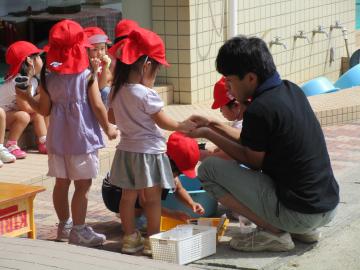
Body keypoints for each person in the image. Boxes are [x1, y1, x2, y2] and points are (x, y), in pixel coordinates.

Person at [188, 35, 339, 252]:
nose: (228, 90)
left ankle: (275, 233)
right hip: (326, 207)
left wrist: (208, 134)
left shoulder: (260, 109)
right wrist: (213, 124)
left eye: (230, 81)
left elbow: (252, 160)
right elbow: (254, 142)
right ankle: (301, 230)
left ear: (250, 78)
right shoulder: (291, 90)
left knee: (209, 170)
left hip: (301, 213)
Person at [18, 19, 118, 247]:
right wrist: (108, 128)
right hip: (81, 140)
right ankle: (79, 230)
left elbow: (43, 110)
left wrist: (25, 98)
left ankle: (64, 226)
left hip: (58, 140)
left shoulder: (48, 77)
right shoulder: (86, 76)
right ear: (78, 48)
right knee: (82, 186)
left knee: (61, 184)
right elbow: (98, 106)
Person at [108, 27, 196, 255]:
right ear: (146, 65)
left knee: (128, 197)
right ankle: (152, 240)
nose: (155, 76)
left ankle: (129, 239)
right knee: (152, 199)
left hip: (126, 151)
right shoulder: (146, 94)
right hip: (149, 153)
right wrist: (181, 125)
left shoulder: (116, 91)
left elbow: (111, 117)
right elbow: (163, 121)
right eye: (156, 70)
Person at [102, 131, 205, 228]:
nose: (178, 175)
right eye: (178, 171)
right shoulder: (149, 168)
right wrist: (172, 214)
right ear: (168, 161)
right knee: (143, 201)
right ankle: (131, 220)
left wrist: (192, 203)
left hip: (126, 188)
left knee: (155, 195)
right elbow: (145, 203)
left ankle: (135, 214)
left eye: (181, 173)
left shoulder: (167, 167)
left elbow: (178, 189)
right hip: (113, 192)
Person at [1, 41, 48, 158]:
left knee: (40, 110)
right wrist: (44, 97)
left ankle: (44, 140)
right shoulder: (18, 82)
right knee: (25, 115)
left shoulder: (33, 80)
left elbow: (34, 99)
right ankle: (11, 145)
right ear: (30, 61)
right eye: (38, 57)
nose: (41, 60)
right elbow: (25, 107)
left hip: (11, 114)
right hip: (2, 116)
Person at [200, 77, 247, 161]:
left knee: (208, 165)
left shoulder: (241, 126)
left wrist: (195, 154)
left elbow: (226, 157)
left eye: (221, 107)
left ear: (235, 105)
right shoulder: (244, 119)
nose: (221, 111)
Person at [84, 27, 112, 107]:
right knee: (106, 91)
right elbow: (100, 87)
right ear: (87, 51)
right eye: (95, 50)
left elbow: (106, 81)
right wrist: (95, 70)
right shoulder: (86, 65)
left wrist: (105, 67)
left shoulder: (102, 62)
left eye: (102, 48)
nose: (100, 53)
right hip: (89, 100)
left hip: (99, 95)